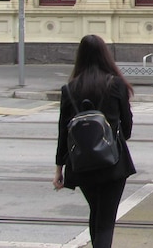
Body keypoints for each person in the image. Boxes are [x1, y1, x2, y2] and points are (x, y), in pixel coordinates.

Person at [53, 34, 136, 248]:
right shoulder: (116, 84)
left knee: (96, 214)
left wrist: (58, 169)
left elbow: (63, 132)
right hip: (113, 163)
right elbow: (126, 130)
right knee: (106, 222)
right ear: (105, 55)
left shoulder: (69, 89)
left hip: (81, 163)